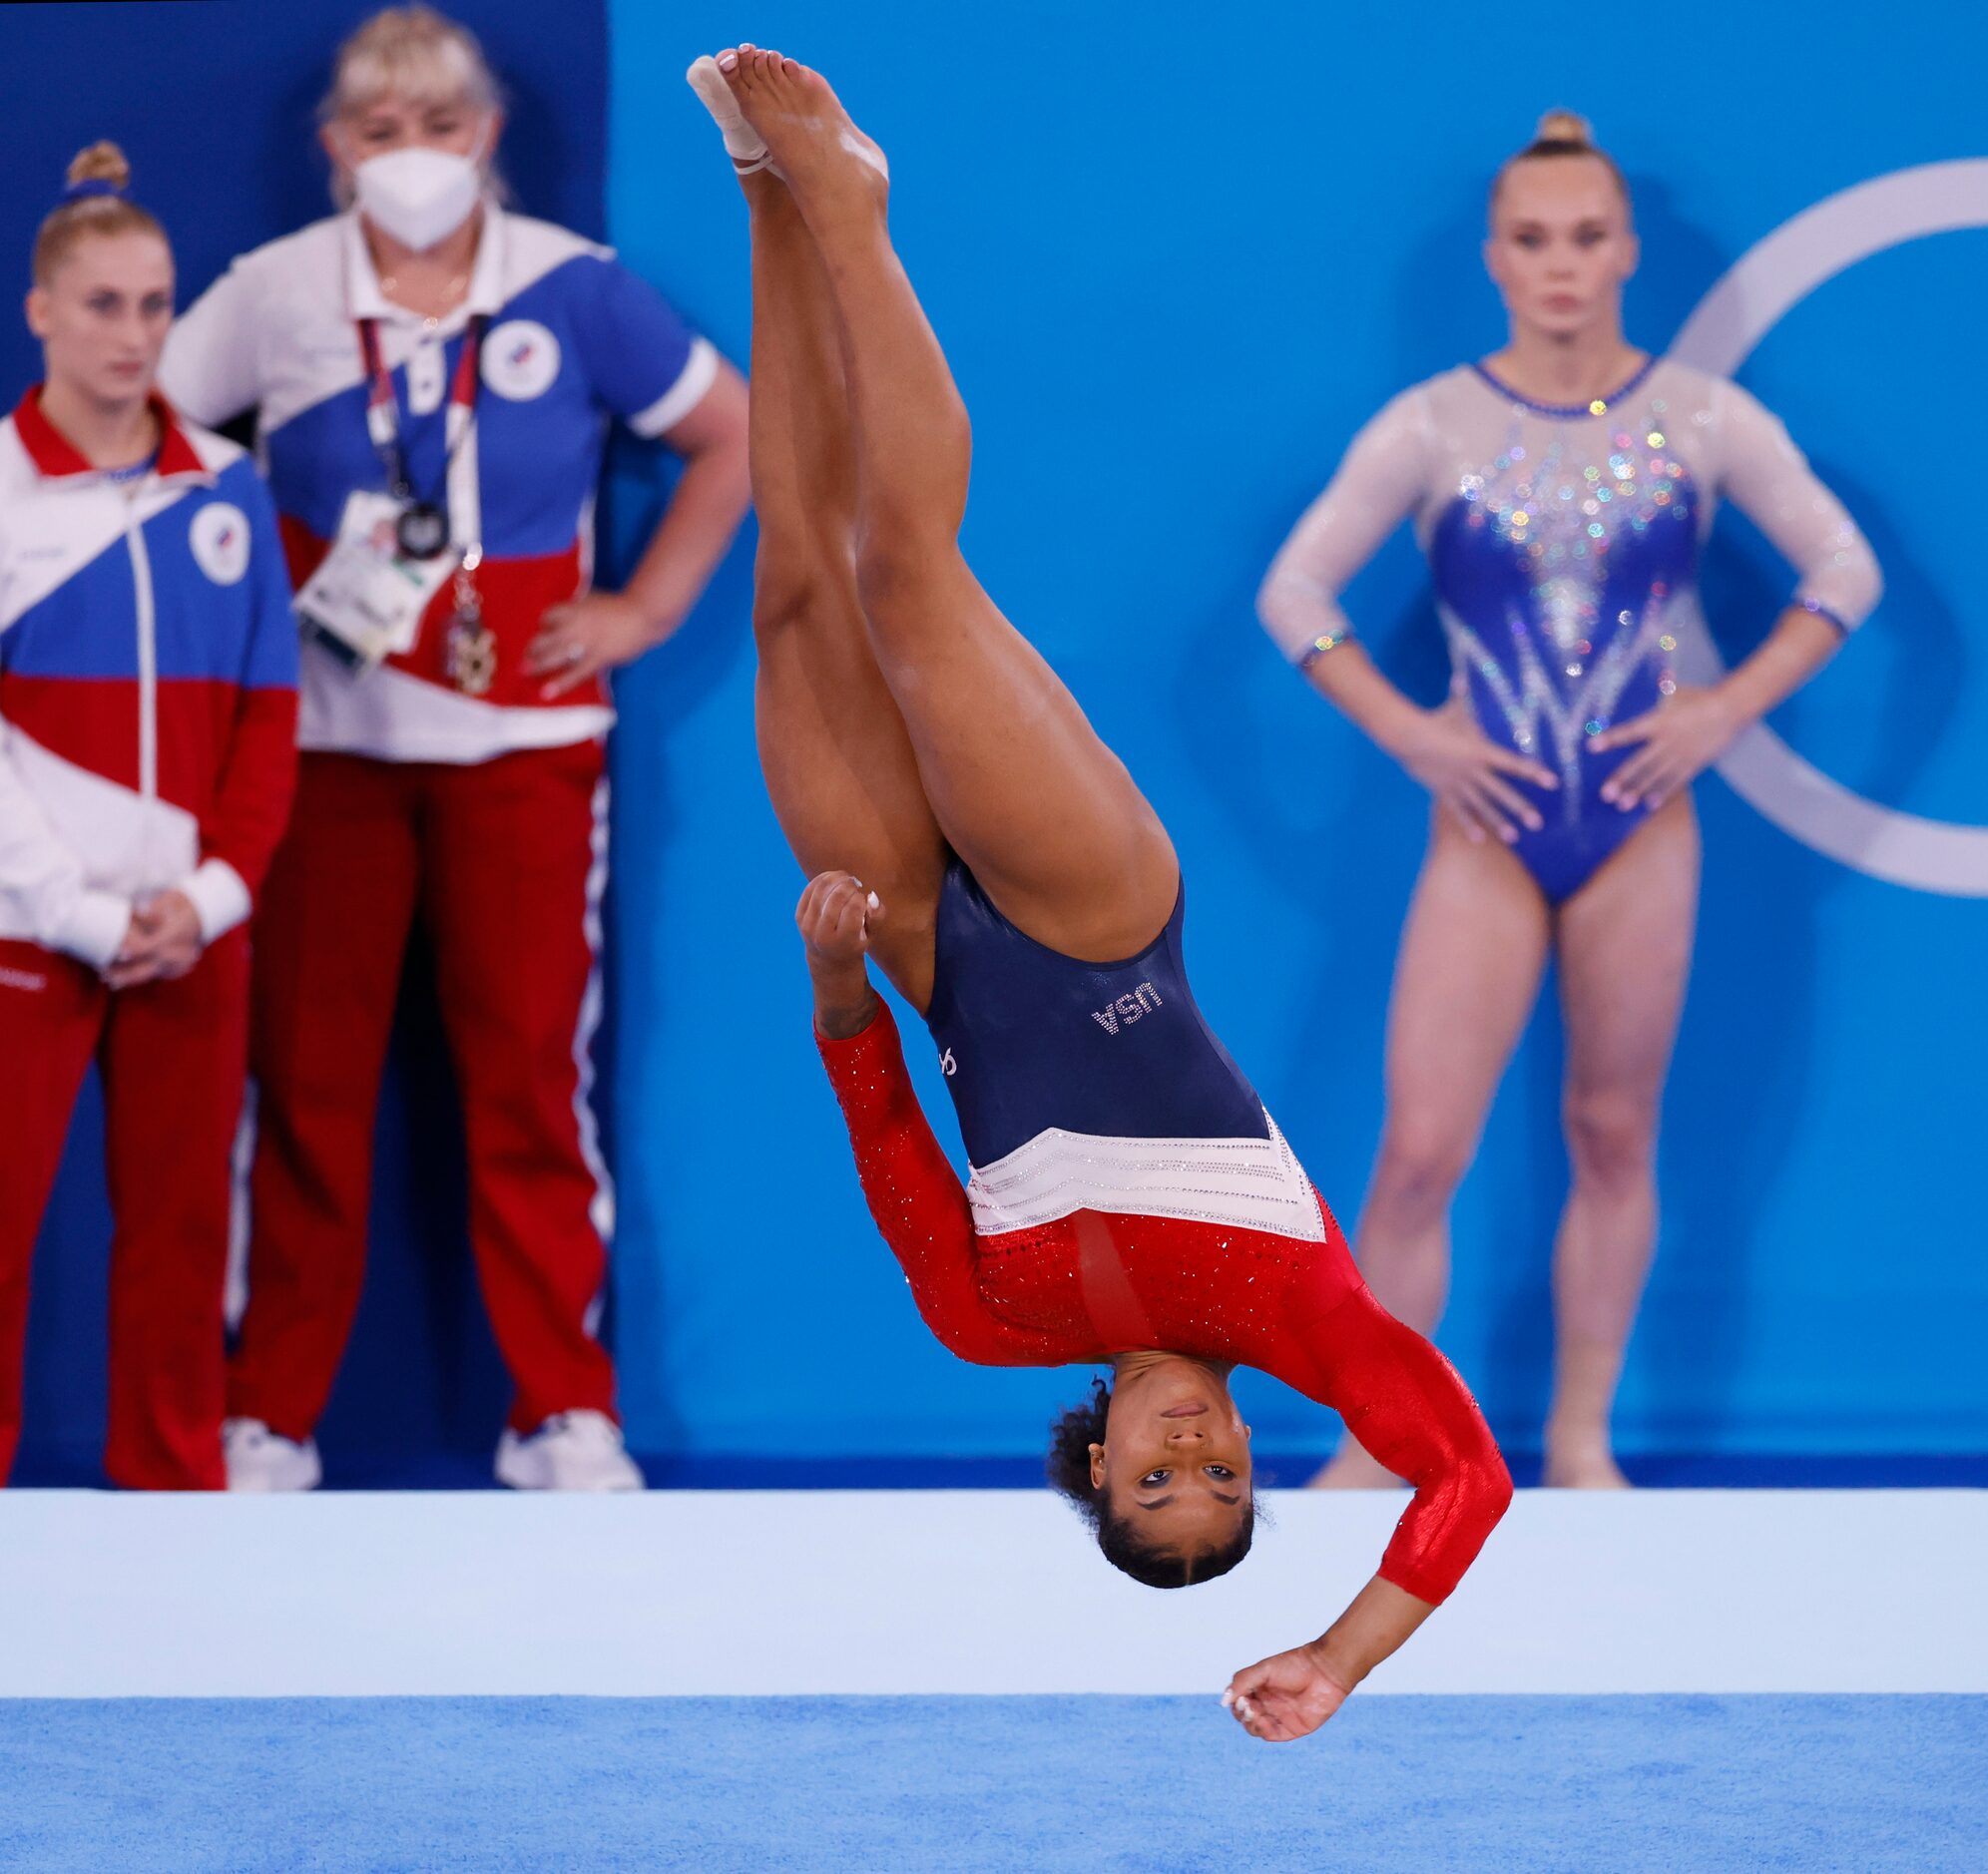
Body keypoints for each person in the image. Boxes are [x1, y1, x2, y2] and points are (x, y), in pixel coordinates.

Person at [690, 44, 1511, 1741]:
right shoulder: (1306, 1316)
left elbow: (891, 1141)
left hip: (926, 954)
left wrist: (842, 992)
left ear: (1100, 1466)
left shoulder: (994, 1324)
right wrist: (1338, 1660)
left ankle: (767, 195)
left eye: (1159, 1483)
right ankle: (853, 204)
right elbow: (1467, 1481)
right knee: (907, 585)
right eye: (1226, 1477)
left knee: (791, 595)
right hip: (1098, 918)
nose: (1195, 1452)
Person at [159, 5, 751, 1492]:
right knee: (305, 1085)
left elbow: (735, 432)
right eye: (378, 131)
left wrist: (647, 604)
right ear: (333, 151)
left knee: (530, 1082)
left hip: (531, 743)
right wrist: (235, 626)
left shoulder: (574, 290)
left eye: (438, 127)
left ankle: (562, 1406)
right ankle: (269, 1413)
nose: (410, 157)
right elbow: (149, 446)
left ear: (486, 137)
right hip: (325, 747)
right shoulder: (276, 293)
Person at [1257, 113, 1882, 1488]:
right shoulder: (1432, 423)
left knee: (1612, 1128)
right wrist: (1414, 734)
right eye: (1533, 241)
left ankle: (1581, 1437)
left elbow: (1844, 568)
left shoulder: (1706, 419)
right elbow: (1293, 593)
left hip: (1639, 824)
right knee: (1419, 1149)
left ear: (1628, 252)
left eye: (1586, 238)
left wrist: (1722, 709)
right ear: (1493, 258)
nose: (1561, 265)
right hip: (1484, 827)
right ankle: (1381, 1443)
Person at [0, 144, 300, 1489]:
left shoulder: (226, 490)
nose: (134, 334)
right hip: (29, 926)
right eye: (105, 304)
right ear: (42, 311)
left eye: (155, 304)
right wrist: (65, 906)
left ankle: (175, 1502)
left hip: (194, 931)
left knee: (185, 1232)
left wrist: (214, 896)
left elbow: (267, 714)